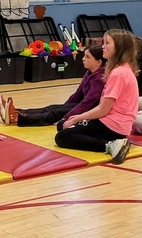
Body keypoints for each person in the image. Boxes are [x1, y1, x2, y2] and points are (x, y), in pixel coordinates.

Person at [55, 29, 136, 164]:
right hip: (116, 123)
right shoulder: (123, 68)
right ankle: (113, 141)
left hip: (113, 126)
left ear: (118, 48)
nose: (103, 46)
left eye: (107, 43)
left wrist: (78, 118)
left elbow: (103, 109)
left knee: (62, 137)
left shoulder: (118, 73)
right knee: (63, 125)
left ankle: (110, 144)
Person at [0, 45, 105, 129]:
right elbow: (78, 94)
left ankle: (17, 118)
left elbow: (88, 103)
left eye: (87, 57)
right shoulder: (89, 73)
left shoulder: (99, 78)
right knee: (51, 108)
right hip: (84, 105)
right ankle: (17, 111)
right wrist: (63, 107)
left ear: (98, 62)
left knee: (55, 113)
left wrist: (67, 116)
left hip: (91, 110)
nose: (83, 59)